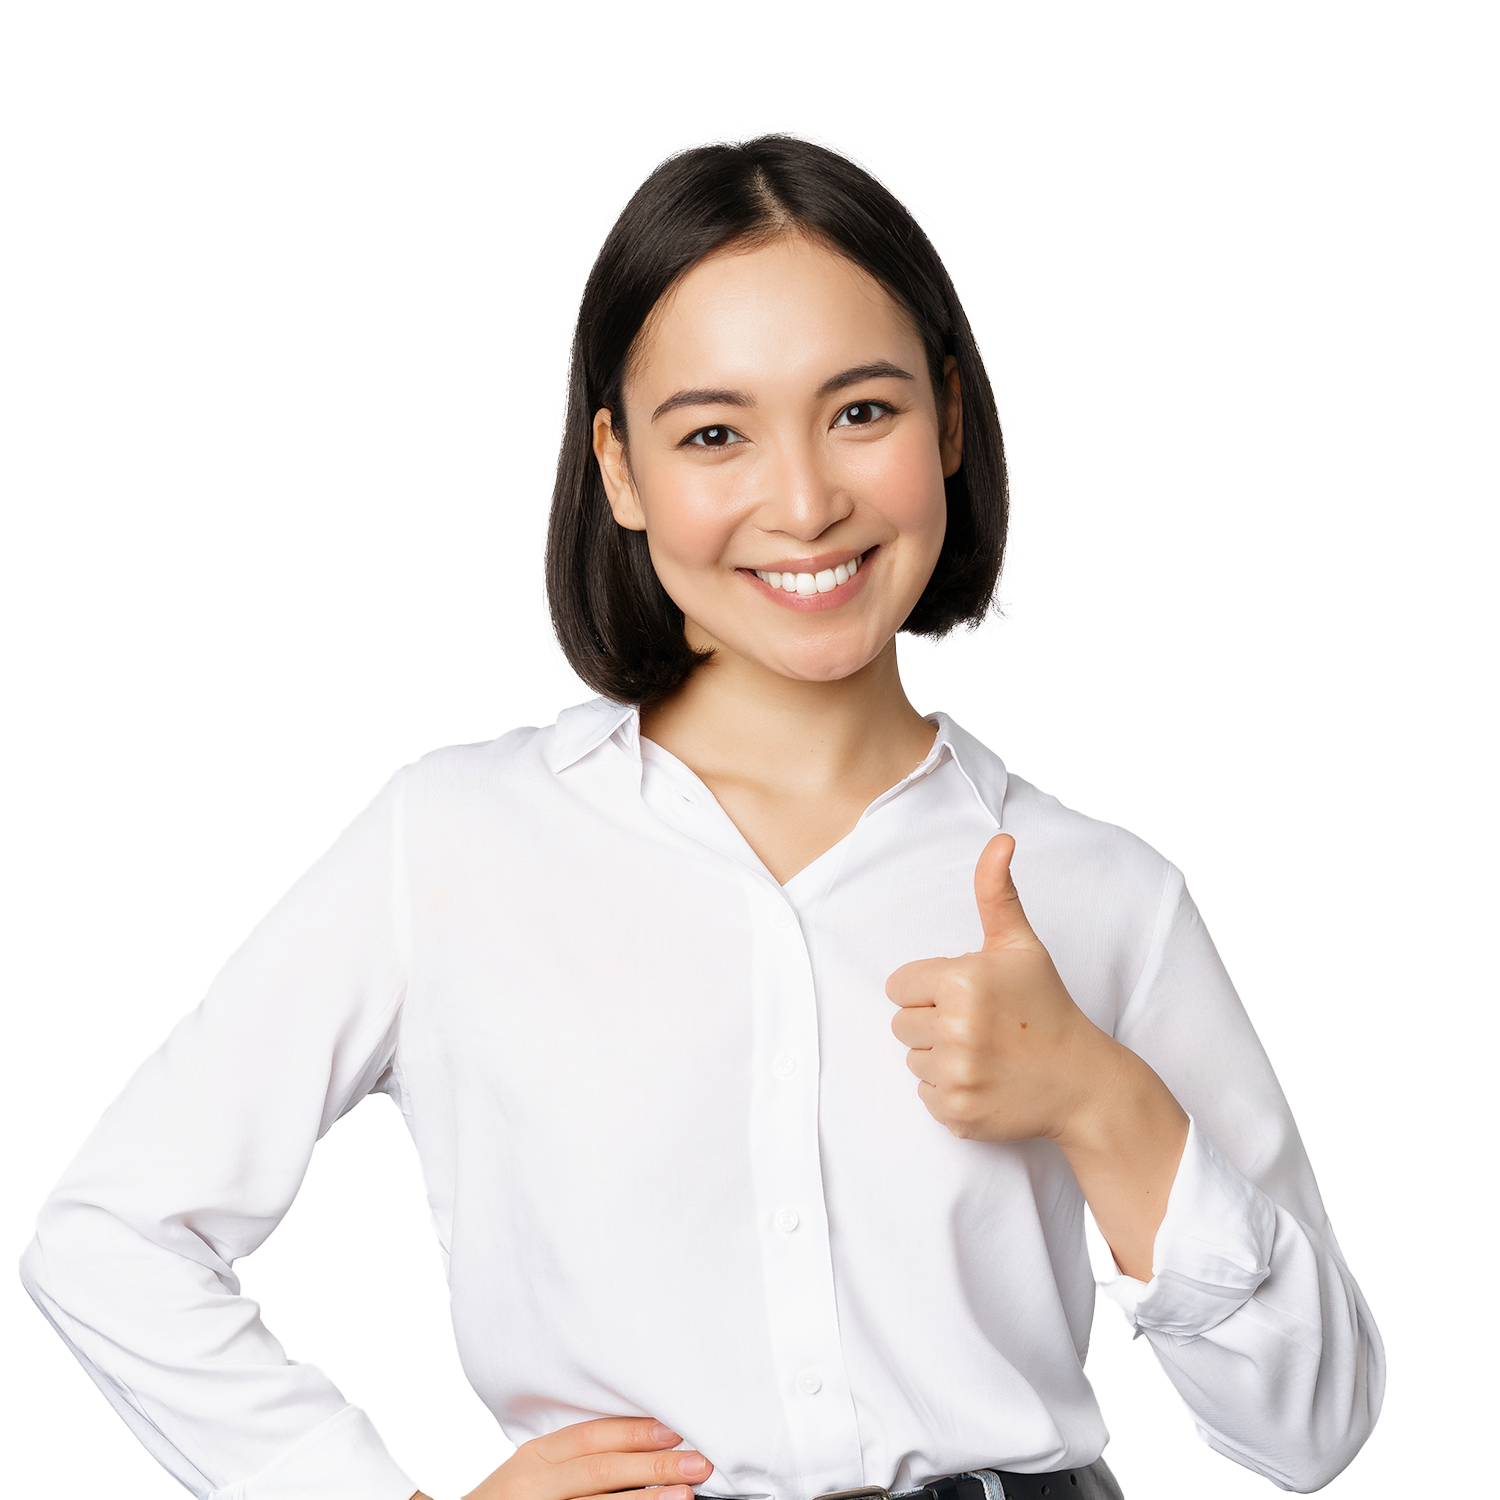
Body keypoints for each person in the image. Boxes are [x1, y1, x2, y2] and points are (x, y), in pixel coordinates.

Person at [20, 136, 1383, 1500]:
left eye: (862, 412)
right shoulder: (448, 845)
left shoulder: (1103, 893)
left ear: (950, 423)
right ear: (619, 468)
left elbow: (1313, 1428)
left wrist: (1099, 1096)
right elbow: (113, 1235)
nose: (802, 503)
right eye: (714, 434)